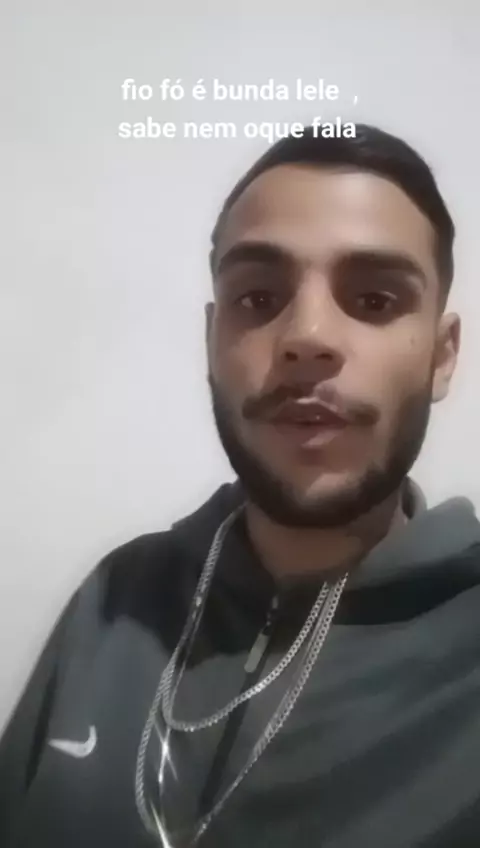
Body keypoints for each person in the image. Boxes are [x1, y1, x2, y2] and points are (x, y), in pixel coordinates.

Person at [1, 122, 478, 848]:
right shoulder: (117, 598)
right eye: (257, 297)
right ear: (211, 340)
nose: (307, 336)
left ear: (442, 358)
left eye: (375, 301)